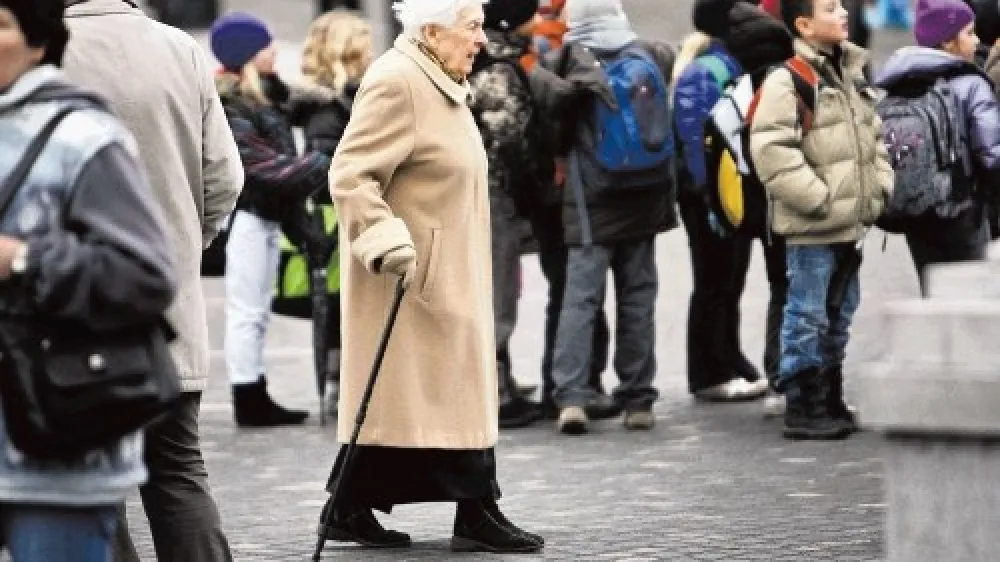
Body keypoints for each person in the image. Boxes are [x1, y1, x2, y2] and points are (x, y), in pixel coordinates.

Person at [314, 0, 542, 552]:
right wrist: (384, 236)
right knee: (423, 395)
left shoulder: (440, 77)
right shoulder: (398, 82)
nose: (482, 40)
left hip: (445, 275)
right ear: (433, 30)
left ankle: (350, 506)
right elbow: (350, 172)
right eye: (473, 28)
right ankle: (476, 509)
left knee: (421, 399)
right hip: (414, 280)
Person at [60, 1, 243, 560]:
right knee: (177, 469)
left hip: (74, 309)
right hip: (167, 303)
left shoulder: (38, 53)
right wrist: (189, 242)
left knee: (93, 480)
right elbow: (225, 177)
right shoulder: (180, 48)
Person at [0, 1, 178, 560]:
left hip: (54, 453)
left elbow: (144, 274)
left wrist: (23, 260)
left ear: (38, 40)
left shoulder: (82, 136)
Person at [751, 0, 893, 440]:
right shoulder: (788, 79)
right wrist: (819, 199)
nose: (843, 13)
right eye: (831, 8)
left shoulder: (850, 73)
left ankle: (829, 394)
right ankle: (804, 402)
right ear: (804, 24)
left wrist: (880, 185)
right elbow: (771, 150)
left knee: (840, 311)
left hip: (850, 221)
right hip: (814, 224)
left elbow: (874, 139)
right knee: (807, 313)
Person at [536, 0, 676, 435]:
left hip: (591, 197)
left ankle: (572, 397)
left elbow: (553, 132)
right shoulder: (649, 56)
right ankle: (638, 399)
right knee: (638, 295)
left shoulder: (570, 64)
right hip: (646, 196)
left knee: (581, 299)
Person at [210, 12, 332, 428]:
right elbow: (261, 167)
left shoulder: (267, 97)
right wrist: (322, 163)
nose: (275, 50)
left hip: (266, 216)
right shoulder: (231, 103)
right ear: (246, 55)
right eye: (266, 46)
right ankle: (247, 396)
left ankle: (256, 390)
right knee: (246, 311)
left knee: (257, 309)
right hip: (246, 216)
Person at [672, 0, 791, 401]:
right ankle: (708, 371)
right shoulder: (707, 71)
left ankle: (729, 355)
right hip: (709, 194)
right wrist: (713, 197)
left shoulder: (723, 64)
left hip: (726, 191)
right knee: (714, 280)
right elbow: (698, 142)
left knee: (730, 277)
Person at [876, 0, 1000, 292]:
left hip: (917, 210)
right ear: (948, 41)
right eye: (969, 33)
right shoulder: (971, 84)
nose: (977, 40)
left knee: (931, 288)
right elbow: (992, 153)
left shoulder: (900, 82)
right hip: (962, 211)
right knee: (969, 291)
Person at [468, 0, 547, 429]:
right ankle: (496, 391)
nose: (537, 21)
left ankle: (502, 381)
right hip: (494, 192)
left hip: (481, 192)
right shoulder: (499, 70)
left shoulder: (484, 58)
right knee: (498, 293)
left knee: (495, 288)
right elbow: (510, 138)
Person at [295, 9, 375, 418]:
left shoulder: (340, 100)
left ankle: (341, 383)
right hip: (337, 217)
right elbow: (325, 165)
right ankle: (339, 386)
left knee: (344, 304)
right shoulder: (330, 107)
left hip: (343, 213)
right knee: (343, 303)